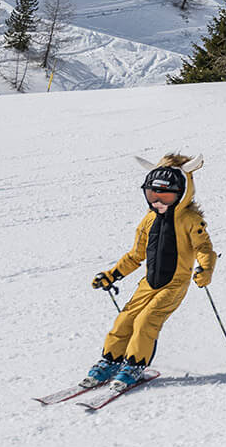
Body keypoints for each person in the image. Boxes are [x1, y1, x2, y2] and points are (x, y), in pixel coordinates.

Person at [81, 155, 218, 390]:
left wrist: (205, 268)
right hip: (149, 284)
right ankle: (110, 362)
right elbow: (136, 255)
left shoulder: (189, 219)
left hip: (175, 284)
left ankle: (134, 365)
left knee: (146, 321)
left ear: (181, 193)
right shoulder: (148, 220)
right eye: (152, 195)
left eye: (164, 196)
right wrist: (112, 274)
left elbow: (204, 248)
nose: (157, 202)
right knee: (124, 321)